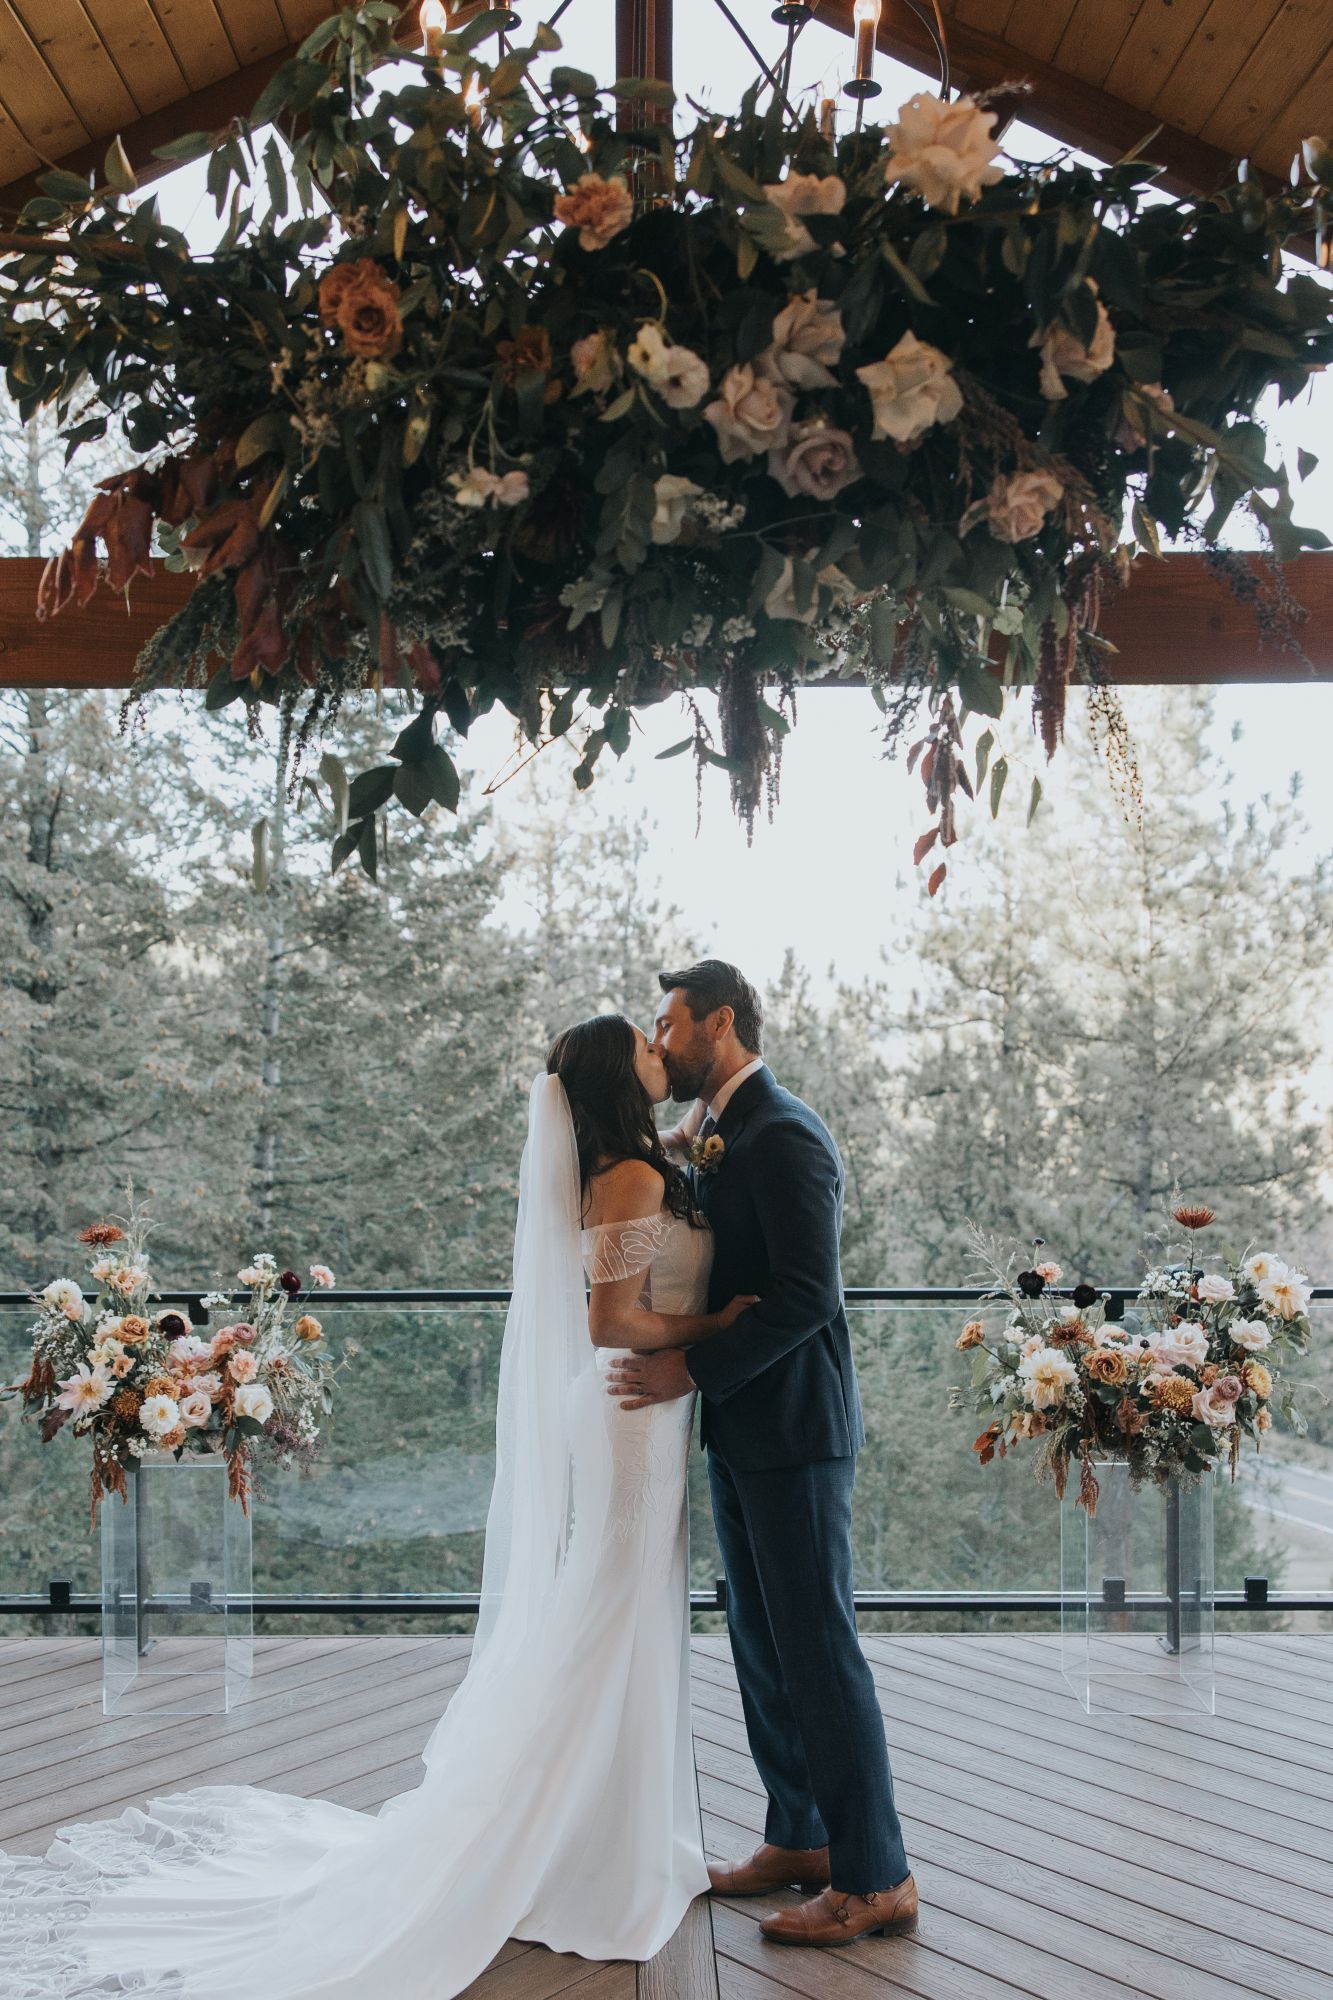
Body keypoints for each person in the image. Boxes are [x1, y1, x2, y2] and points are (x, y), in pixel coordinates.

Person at [0, 1015, 753, 1999]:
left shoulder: (638, 1163)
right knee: (608, 1612)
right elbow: (609, 1318)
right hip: (629, 1406)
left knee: (619, 1609)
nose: (663, 1053)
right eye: (646, 1047)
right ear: (621, 1074)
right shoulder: (633, 1176)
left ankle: (603, 1836)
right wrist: (718, 1328)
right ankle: (557, 1846)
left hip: (638, 1409)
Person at [606, 959, 918, 1947]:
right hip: (743, 1426)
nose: (659, 1042)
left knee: (818, 1649)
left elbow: (807, 1295)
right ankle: (801, 1835)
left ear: (721, 1021)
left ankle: (878, 1877)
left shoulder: (786, 1134)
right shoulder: (719, 1132)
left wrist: (691, 1367)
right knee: (760, 1640)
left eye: (669, 1022)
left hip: (793, 1427)